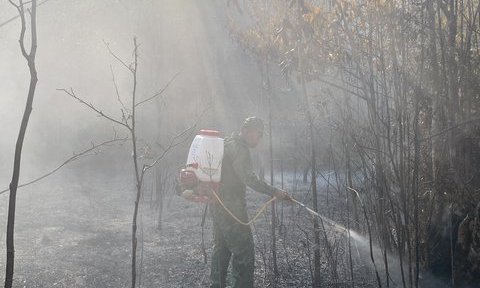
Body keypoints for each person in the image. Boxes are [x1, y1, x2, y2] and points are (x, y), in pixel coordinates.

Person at [210, 116, 290, 288]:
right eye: (258, 133)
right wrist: (274, 191)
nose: (259, 138)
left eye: (261, 135)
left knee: (221, 251)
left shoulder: (227, 142)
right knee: (244, 253)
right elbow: (249, 178)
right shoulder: (239, 149)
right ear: (246, 131)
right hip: (232, 209)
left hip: (217, 205)